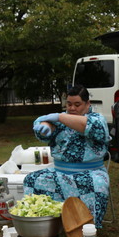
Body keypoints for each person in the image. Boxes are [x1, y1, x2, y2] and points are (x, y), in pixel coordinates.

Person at [24, 85, 110, 227]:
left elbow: (89, 126)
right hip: (59, 172)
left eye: (77, 104)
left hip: (90, 172)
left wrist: (59, 117)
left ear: (87, 104)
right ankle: (44, 223)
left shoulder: (97, 119)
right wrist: (45, 126)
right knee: (32, 179)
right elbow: (45, 122)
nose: (72, 108)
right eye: (69, 104)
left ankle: (87, 228)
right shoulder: (60, 120)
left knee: (97, 185)